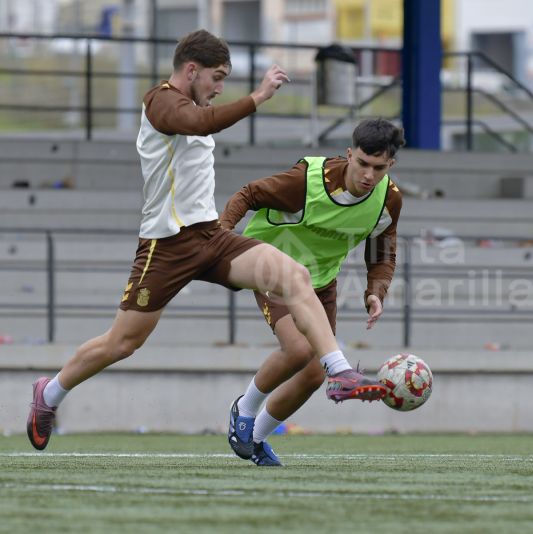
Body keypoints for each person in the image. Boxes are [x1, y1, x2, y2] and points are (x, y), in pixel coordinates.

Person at [26, 29, 385, 452]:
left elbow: (201, 120)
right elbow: (197, 122)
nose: (218, 88)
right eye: (217, 77)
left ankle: (339, 371)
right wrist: (256, 98)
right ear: (191, 70)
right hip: (167, 246)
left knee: (294, 275)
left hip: (211, 237)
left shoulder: (193, 104)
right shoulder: (160, 101)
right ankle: (48, 395)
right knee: (122, 343)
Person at [222, 118, 405, 466]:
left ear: (390, 166)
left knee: (312, 373)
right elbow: (248, 194)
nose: (368, 175)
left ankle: (256, 440)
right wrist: (220, 235)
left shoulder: (388, 200)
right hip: (270, 268)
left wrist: (376, 291)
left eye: (378, 168)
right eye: (362, 163)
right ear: (350, 154)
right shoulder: (306, 181)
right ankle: (243, 411)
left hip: (320, 282)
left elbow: (383, 250)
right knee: (299, 349)